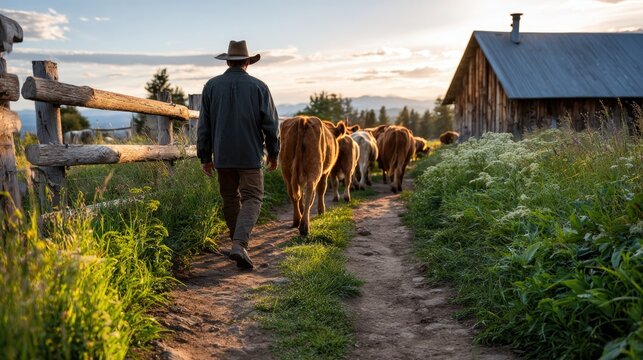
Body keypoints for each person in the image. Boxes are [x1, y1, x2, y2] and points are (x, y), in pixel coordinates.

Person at [197, 40, 279, 269]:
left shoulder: (211, 86)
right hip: (250, 154)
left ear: (229, 61)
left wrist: (205, 156)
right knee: (253, 197)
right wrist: (274, 153)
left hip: (222, 155)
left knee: (230, 198)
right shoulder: (259, 87)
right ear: (246, 62)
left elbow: (204, 125)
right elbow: (271, 125)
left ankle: (237, 244)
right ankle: (240, 244)